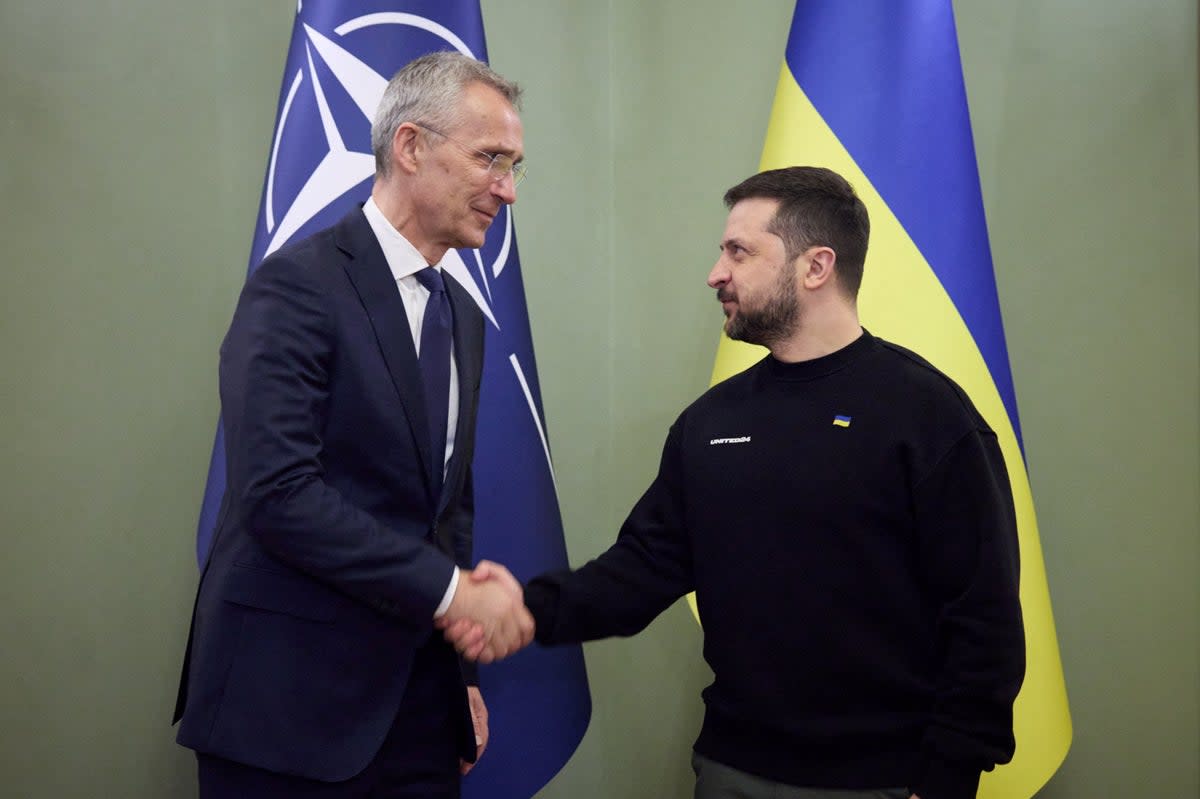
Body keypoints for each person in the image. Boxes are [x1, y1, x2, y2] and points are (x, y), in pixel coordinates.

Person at [448, 166, 1026, 799]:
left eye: (738, 251)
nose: (715, 273)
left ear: (815, 267)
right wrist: (518, 609)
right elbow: (640, 571)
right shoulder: (711, 422)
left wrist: (949, 774)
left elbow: (983, 617)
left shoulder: (929, 417)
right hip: (731, 767)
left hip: (885, 779)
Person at [173, 51, 534, 799]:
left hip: (417, 717)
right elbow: (278, 495)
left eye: (514, 165)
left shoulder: (462, 315)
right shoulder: (295, 288)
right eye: (489, 158)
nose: (507, 188)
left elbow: (446, 510)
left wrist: (458, 669)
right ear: (410, 147)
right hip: (286, 718)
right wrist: (453, 593)